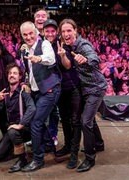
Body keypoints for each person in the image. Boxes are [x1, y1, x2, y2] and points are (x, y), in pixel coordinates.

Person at [59, 18, 107, 172]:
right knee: (90, 118)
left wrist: (86, 59)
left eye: (69, 30)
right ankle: (99, 143)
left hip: (95, 88)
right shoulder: (66, 46)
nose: (66, 34)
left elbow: (95, 58)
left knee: (85, 121)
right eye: (63, 31)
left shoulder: (83, 44)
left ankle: (90, 157)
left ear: (75, 30)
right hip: (84, 89)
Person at [19, 21, 61, 172]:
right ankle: (49, 146)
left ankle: (38, 159)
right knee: (38, 122)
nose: (29, 37)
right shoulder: (24, 49)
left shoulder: (44, 44)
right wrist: (26, 82)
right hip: (38, 91)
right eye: (25, 34)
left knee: (36, 122)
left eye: (31, 33)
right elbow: (27, 71)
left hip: (50, 90)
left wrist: (39, 58)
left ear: (36, 32)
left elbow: (51, 58)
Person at [43, 19, 83, 169]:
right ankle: (67, 145)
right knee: (65, 119)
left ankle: (74, 153)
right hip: (59, 88)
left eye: (54, 31)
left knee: (75, 121)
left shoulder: (64, 45)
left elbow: (67, 65)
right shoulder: (44, 46)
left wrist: (62, 55)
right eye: (48, 31)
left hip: (73, 87)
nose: (51, 33)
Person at [0, 63, 36, 173]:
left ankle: (22, 159)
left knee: (12, 131)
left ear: (20, 76)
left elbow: (32, 108)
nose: (12, 75)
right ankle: (17, 148)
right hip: (11, 129)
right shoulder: (5, 92)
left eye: (15, 73)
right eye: (10, 73)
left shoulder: (23, 91)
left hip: (25, 129)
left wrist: (20, 124)